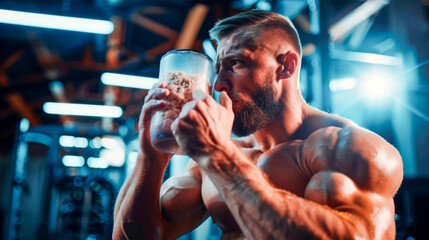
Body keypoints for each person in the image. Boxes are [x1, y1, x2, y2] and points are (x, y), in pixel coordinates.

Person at [113, 9, 403, 240]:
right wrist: (151, 157)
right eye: (217, 70)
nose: (219, 84)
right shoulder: (223, 155)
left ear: (286, 66)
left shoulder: (347, 149)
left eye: (236, 63)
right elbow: (134, 236)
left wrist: (217, 156)